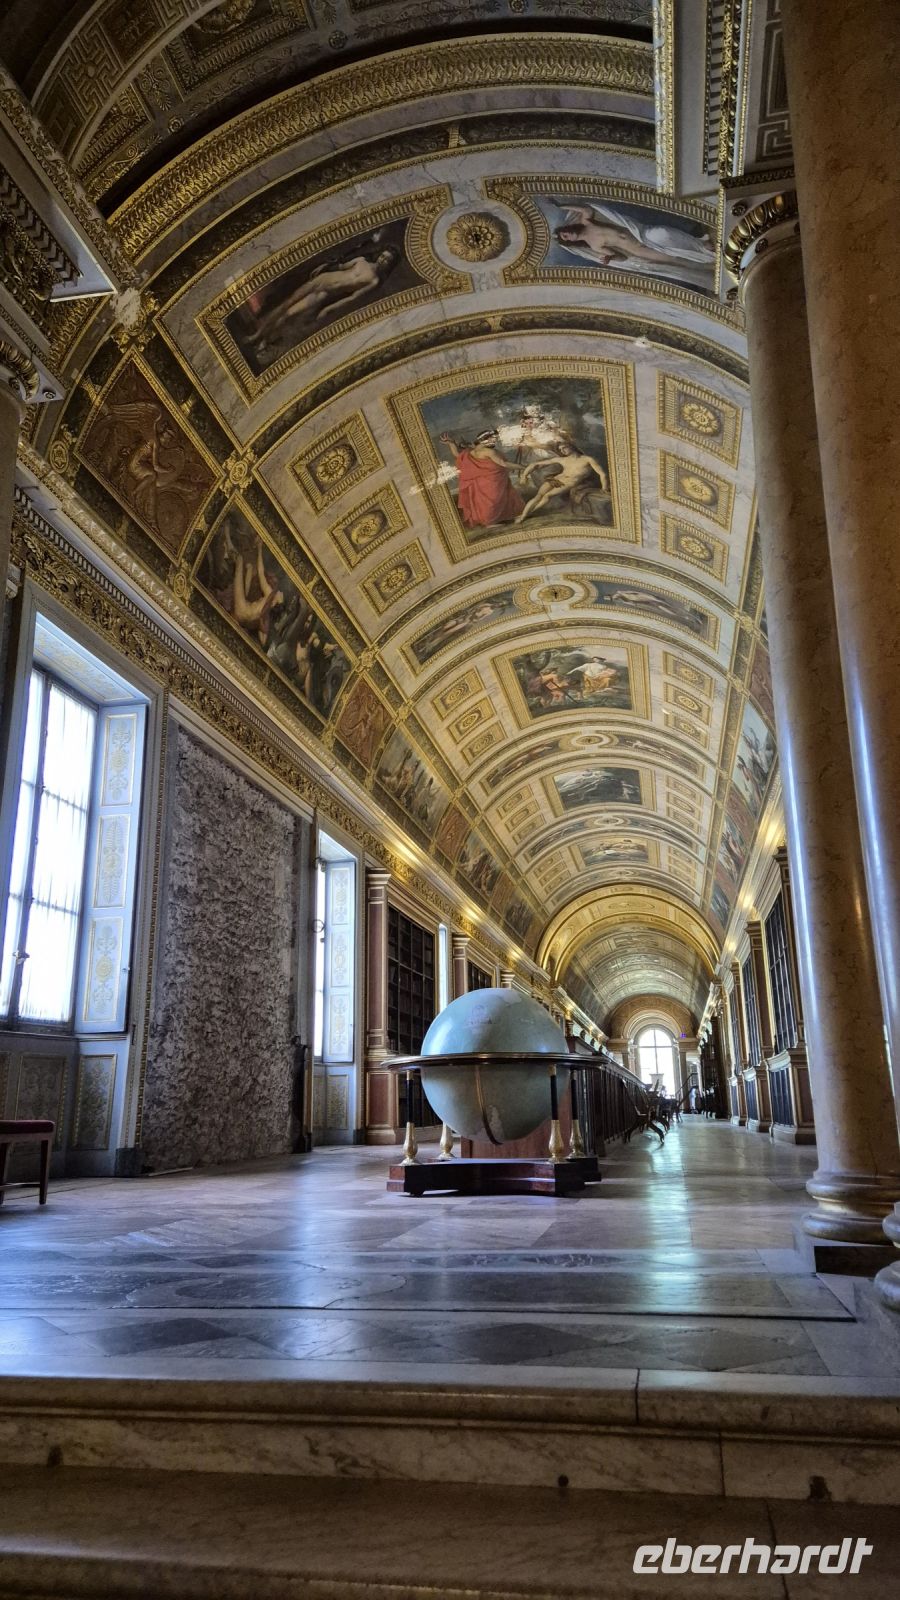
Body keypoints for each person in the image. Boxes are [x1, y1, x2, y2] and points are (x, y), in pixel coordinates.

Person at [247, 245, 400, 348]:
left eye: (387, 261)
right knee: (286, 303)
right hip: (320, 280)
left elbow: (352, 298)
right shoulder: (362, 261)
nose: (383, 260)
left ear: (389, 265)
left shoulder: (374, 281)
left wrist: (329, 309)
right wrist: (322, 267)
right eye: (383, 256)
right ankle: (257, 335)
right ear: (379, 255)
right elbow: (340, 267)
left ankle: (265, 340)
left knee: (289, 314)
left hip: (324, 294)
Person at [552, 201, 716, 291]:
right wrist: (611, 257)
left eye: (565, 232)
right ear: (570, 242)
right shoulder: (594, 245)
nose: (568, 235)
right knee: (675, 259)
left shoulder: (587, 222)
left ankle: (701, 246)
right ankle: (708, 263)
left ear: (568, 228)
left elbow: (585, 208)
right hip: (639, 250)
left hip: (640, 234)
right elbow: (622, 257)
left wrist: (561, 206)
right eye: (565, 238)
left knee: (663, 233)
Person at [440, 429, 523, 527]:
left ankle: (498, 518)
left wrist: (451, 444)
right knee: (492, 500)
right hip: (491, 481)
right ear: (484, 439)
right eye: (493, 439)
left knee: (490, 500)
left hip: (483, 481)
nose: (494, 441)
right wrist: (523, 467)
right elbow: (503, 463)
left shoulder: (472, 450)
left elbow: (458, 455)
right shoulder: (489, 451)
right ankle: (489, 522)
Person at [515, 441, 608, 523]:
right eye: (560, 449)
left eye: (564, 448)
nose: (562, 451)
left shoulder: (587, 459)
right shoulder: (562, 459)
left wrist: (604, 488)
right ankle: (523, 515)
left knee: (547, 496)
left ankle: (526, 515)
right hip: (555, 480)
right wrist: (524, 475)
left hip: (569, 482)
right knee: (538, 496)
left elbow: (602, 474)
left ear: (571, 446)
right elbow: (535, 464)